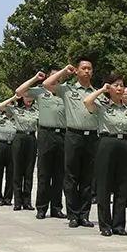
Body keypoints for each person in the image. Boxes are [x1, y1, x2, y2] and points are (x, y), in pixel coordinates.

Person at [44, 58, 98, 229]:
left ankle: (85, 215)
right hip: (73, 136)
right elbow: (47, 84)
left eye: (89, 68)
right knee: (71, 177)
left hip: (91, 137)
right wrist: (63, 71)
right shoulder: (68, 89)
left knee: (87, 178)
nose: (87, 71)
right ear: (77, 71)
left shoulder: (96, 92)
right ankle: (73, 215)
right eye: (83, 68)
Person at [83, 75, 127, 236]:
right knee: (104, 186)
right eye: (116, 85)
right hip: (106, 144)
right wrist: (102, 90)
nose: (120, 89)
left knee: (122, 186)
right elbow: (87, 102)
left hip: (125, 145)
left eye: (122, 85)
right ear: (110, 88)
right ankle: (105, 224)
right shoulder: (102, 107)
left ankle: (119, 225)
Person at [17, 71, 67, 219]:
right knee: (44, 173)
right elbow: (19, 92)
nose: (55, 78)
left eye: (58, 76)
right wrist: (34, 78)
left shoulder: (65, 92)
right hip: (46, 134)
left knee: (59, 174)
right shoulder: (40, 91)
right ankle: (41, 207)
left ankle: (56, 208)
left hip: (63, 134)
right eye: (53, 75)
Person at [3, 93, 39, 211]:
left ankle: (27, 201)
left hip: (32, 139)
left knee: (29, 171)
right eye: (26, 96)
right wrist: (14, 97)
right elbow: (1, 107)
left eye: (30, 97)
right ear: (22, 98)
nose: (29, 99)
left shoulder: (37, 110)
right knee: (17, 170)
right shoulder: (16, 109)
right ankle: (17, 201)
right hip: (19, 138)